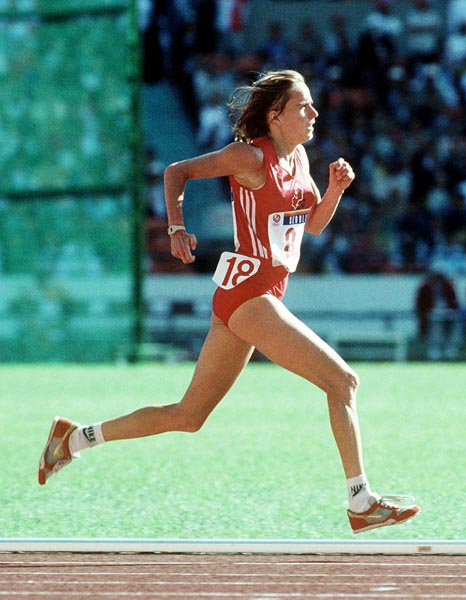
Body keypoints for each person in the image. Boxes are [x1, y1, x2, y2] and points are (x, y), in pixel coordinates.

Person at [38, 70, 420, 534]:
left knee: (187, 416)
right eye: (304, 106)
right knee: (342, 381)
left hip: (252, 300)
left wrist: (336, 188)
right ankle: (361, 501)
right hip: (250, 297)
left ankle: (73, 439)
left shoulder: (299, 158)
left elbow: (313, 225)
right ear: (275, 115)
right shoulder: (248, 156)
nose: (315, 113)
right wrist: (176, 227)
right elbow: (176, 171)